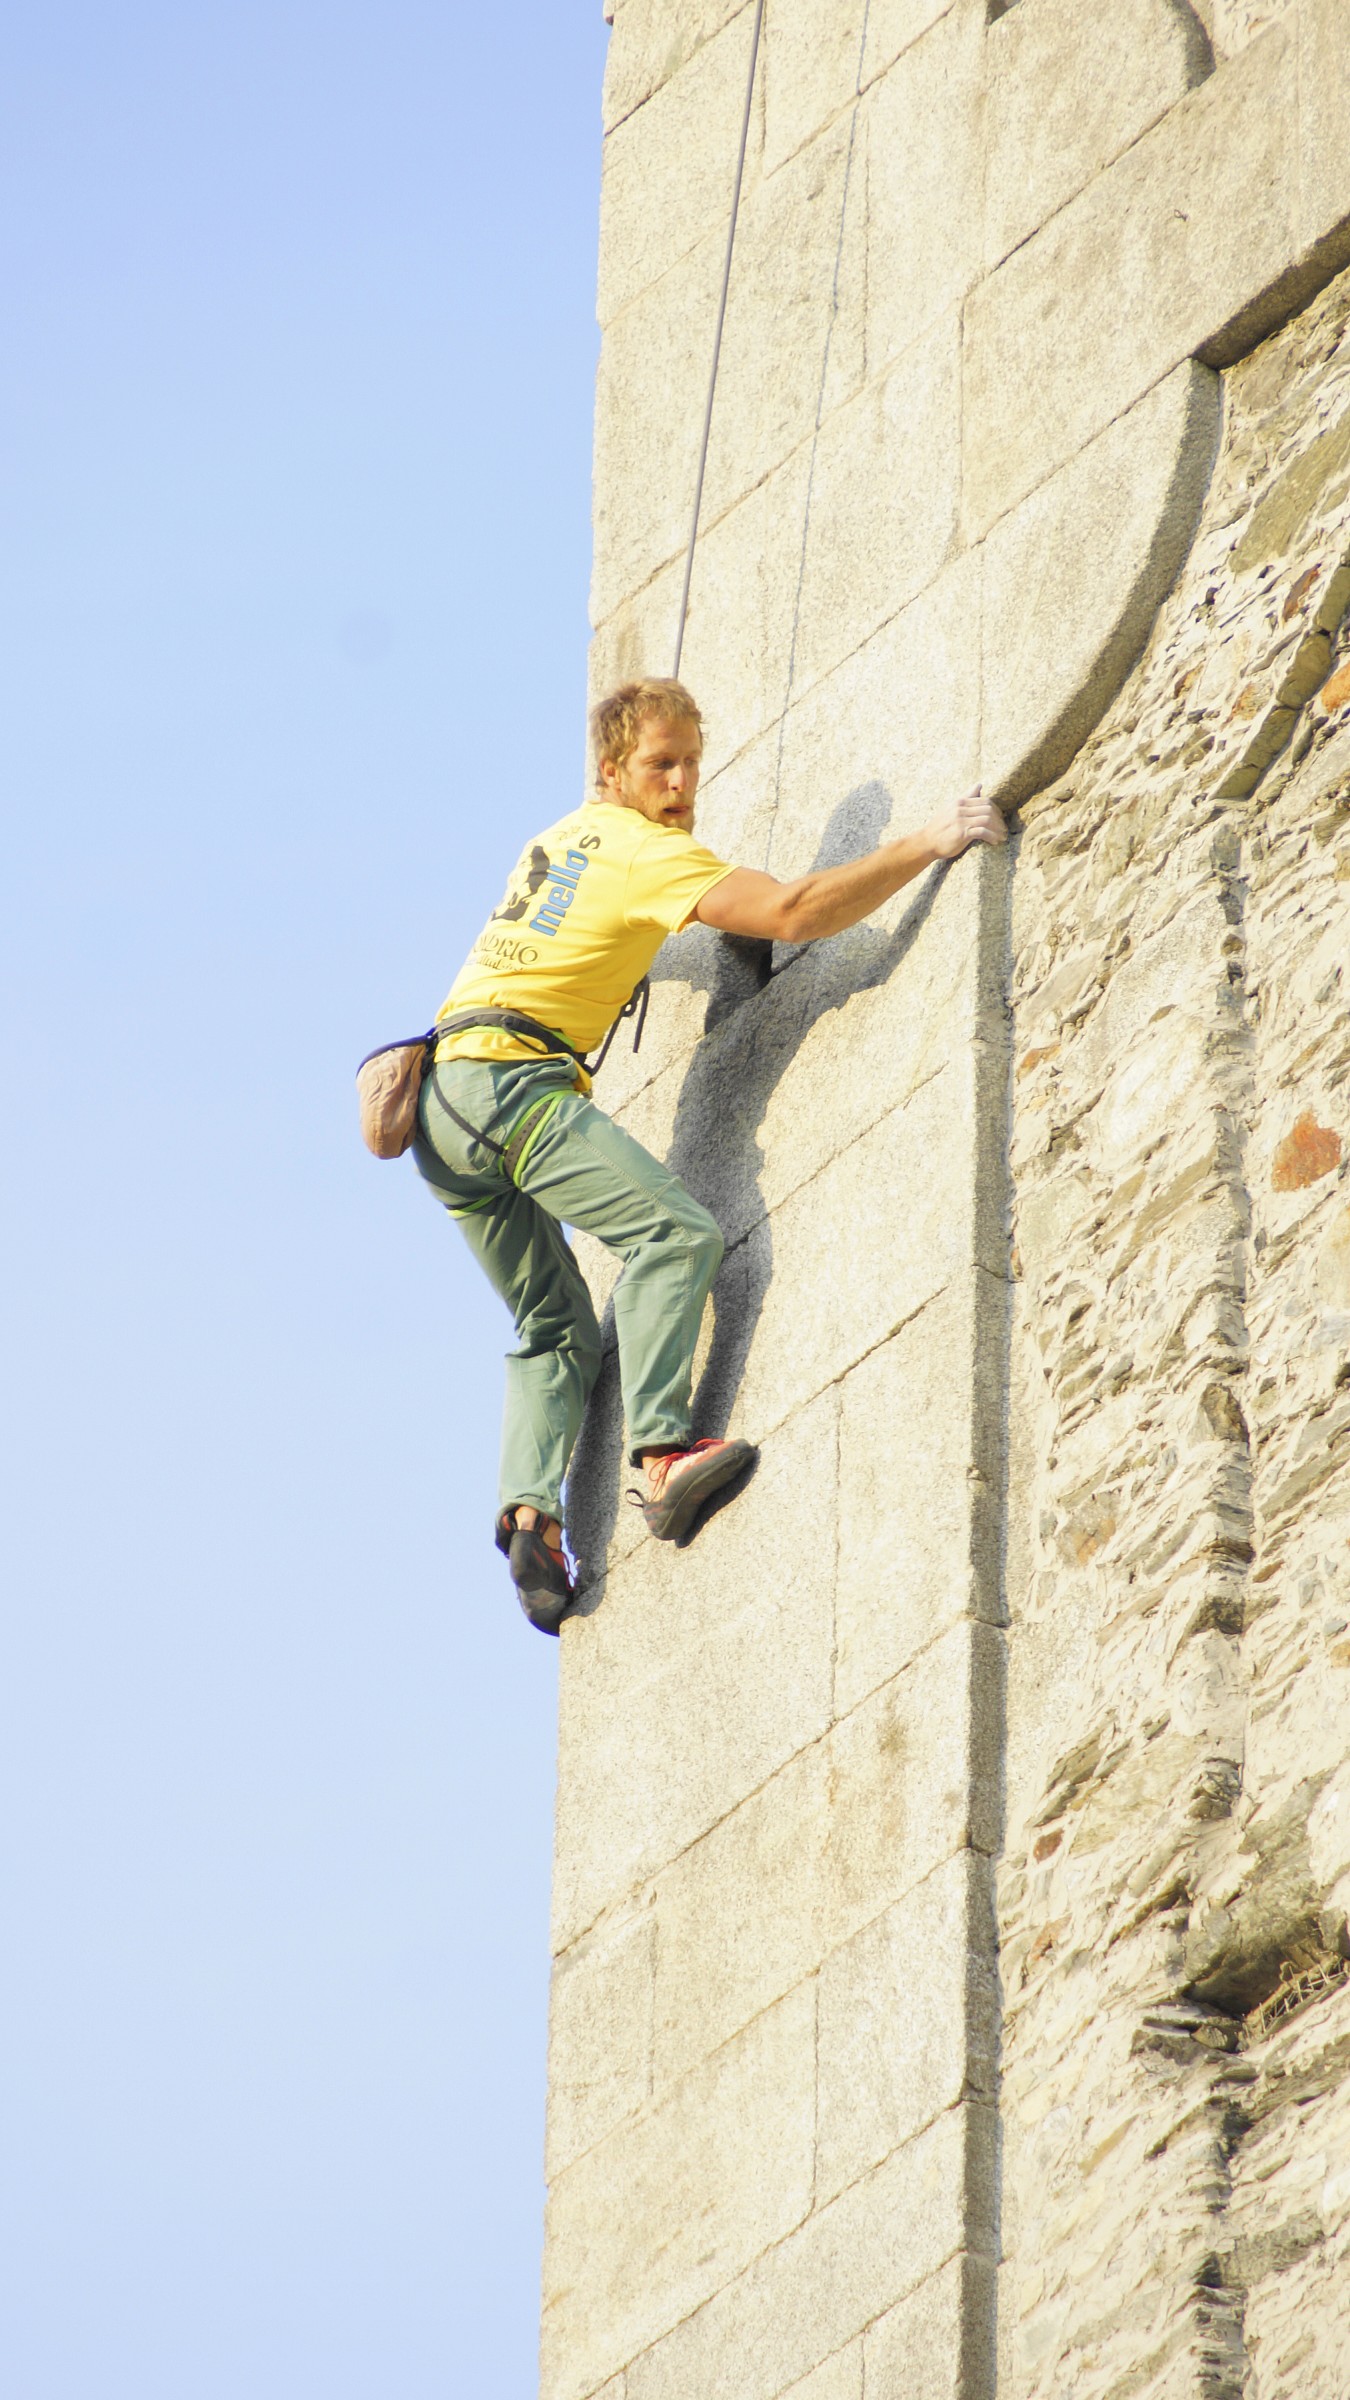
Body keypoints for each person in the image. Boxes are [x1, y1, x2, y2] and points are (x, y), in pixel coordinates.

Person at [413, 677, 1006, 1633]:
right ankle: (661, 1458)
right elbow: (795, 911)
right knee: (677, 1234)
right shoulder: (647, 853)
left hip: (440, 1108)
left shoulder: (562, 840)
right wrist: (927, 843)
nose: (683, 783)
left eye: (692, 762)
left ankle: (532, 1517)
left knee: (556, 1323)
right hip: (513, 1087)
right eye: (661, 764)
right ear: (613, 771)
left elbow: (593, 934)